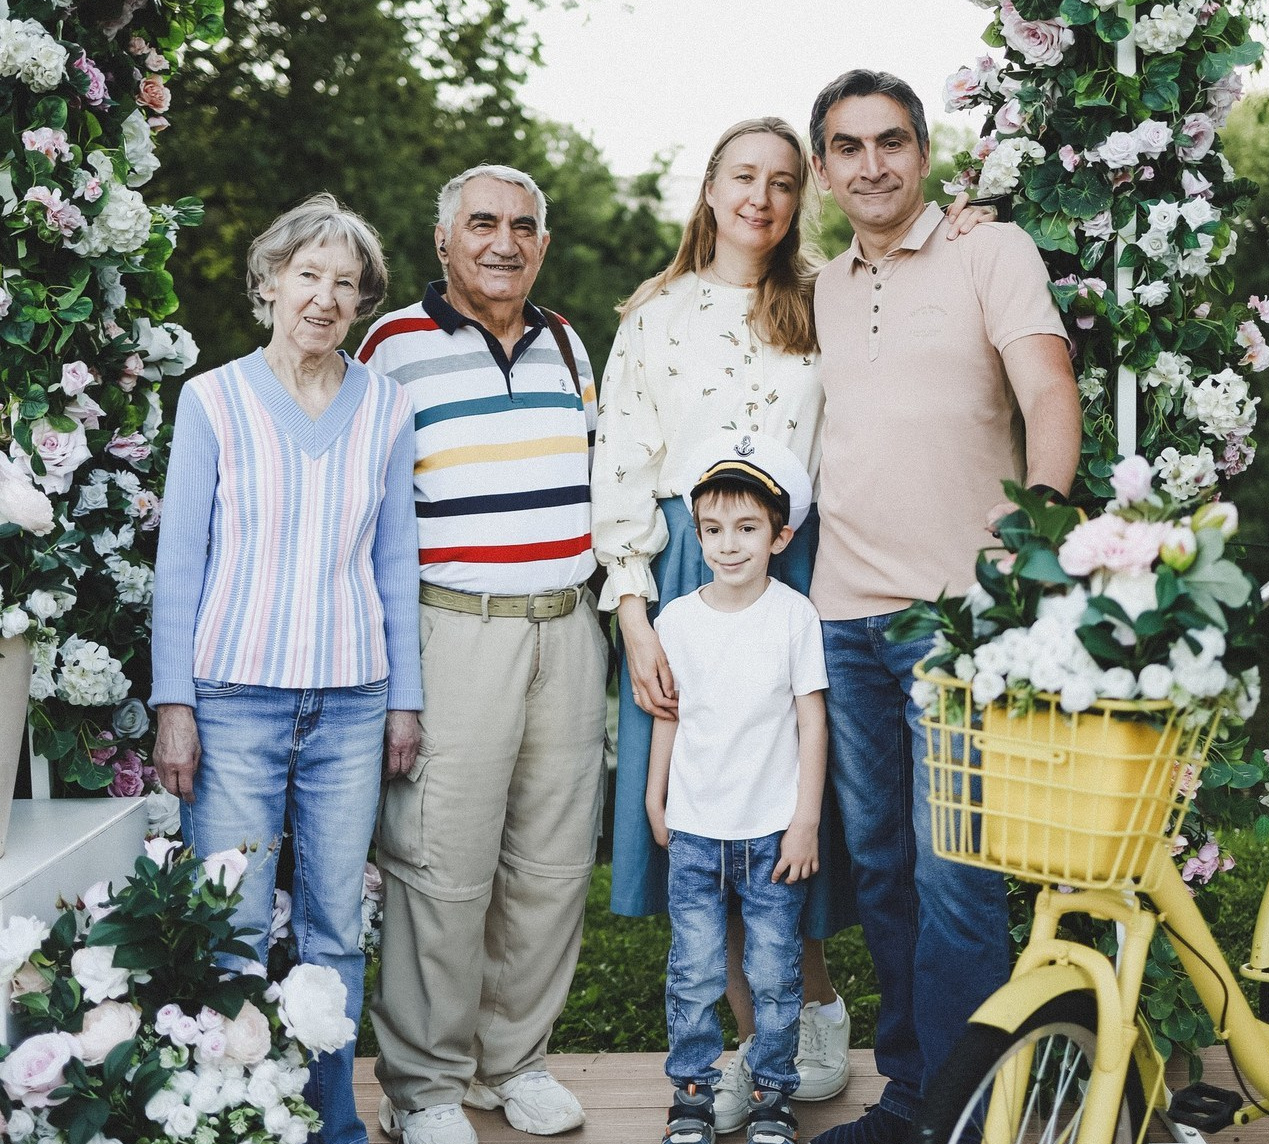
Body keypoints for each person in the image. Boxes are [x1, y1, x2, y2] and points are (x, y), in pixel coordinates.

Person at [591, 116, 992, 1130]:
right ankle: (742, 1035)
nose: (759, 198)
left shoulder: (824, 299)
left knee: (784, 798)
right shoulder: (654, 315)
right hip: (687, 570)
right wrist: (635, 616)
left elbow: (915, 316)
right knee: (704, 808)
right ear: (710, 187)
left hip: (807, 569)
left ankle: (810, 1006)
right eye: (741, 176)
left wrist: (964, 229)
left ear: (798, 194)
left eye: (779, 180)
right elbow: (624, 469)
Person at [805, 69, 1082, 1144]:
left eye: (889, 142)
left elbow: (1047, 389)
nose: (870, 164)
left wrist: (1039, 531)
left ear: (923, 154)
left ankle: (967, 1108)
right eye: (847, 147)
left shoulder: (986, 249)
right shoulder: (821, 284)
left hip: (960, 618)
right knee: (878, 866)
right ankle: (916, 1089)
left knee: (955, 874)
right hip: (845, 614)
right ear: (824, 166)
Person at [151, 194, 423, 1144]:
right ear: (268, 284)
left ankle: (332, 1121)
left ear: (360, 305)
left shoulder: (387, 406)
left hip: (352, 704)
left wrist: (405, 702)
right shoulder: (212, 399)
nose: (325, 297)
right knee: (229, 924)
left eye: (346, 284)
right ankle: (235, 1118)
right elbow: (180, 560)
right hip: (232, 703)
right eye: (308, 275)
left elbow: (397, 562)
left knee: (333, 929)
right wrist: (172, 702)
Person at [356, 165, 608, 1144]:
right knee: (440, 863)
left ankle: (515, 1061)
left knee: (549, 864)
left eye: (522, 225)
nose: (503, 241)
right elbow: (366, 512)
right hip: (451, 628)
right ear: (442, 240)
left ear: (542, 243)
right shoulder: (390, 346)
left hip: (565, 626)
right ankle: (421, 1084)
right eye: (481, 224)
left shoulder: (566, 340)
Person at [646, 435, 829, 1144]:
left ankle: (771, 1096)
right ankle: (692, 1092)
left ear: (779, 536)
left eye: (747, 529)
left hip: (771, 834)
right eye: (714, 531)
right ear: (697, 535)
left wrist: (805, 819)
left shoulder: (793, 616)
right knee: (693, 972)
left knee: (775, 974)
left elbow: (811, 723)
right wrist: (655, 799)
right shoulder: (677, 620)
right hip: (695, 830)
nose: (729, 546)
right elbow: (669, 714)